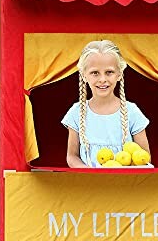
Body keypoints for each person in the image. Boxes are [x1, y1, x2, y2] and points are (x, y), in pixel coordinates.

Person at [62, 39, 150, 168]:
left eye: (109, 72)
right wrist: (91, 174)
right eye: (95, 73)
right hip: (89, 185)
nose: (102, 79)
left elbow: (144, 156)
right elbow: (72, 156)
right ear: (84, 75)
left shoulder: (132, 111)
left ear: (119, 74)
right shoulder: (76, 112)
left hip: (126, 185)